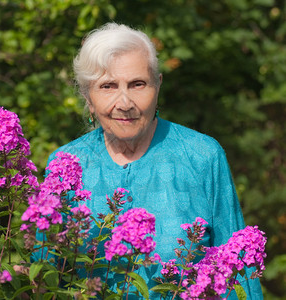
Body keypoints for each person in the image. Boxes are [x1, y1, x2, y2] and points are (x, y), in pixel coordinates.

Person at [46, 23, 264, 299]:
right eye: (108, 86)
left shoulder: (202, 156)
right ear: (89, 97)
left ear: (158, 86)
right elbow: (48, 275)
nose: (125, 102)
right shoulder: (66, 163)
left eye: (138, 84)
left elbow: (239, 274)